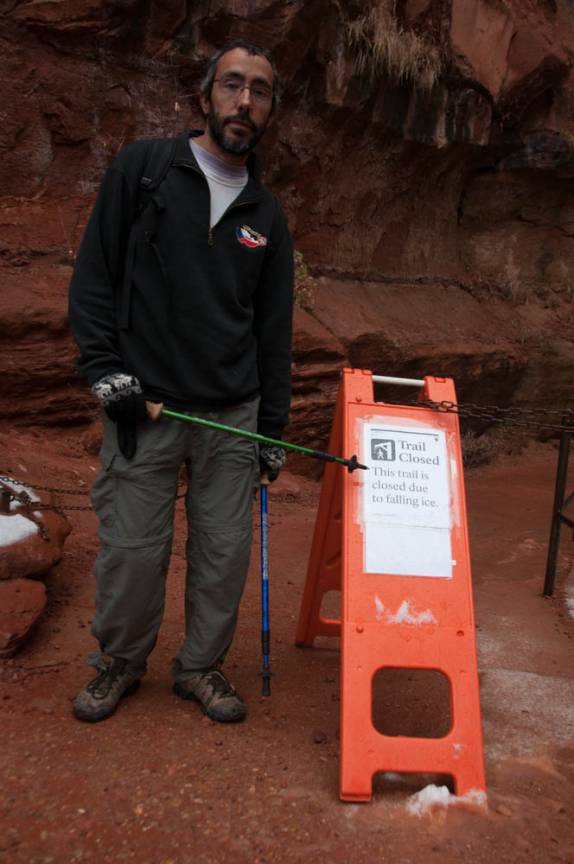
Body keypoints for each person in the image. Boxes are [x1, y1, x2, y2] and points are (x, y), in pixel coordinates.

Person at [68, 40, 293, 724]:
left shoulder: (267, 215)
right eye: (232, 84)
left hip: (233, 414)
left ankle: (200, 667)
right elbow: (95, 277)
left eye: (259, 91)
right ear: (205, 96)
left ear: (270, 110)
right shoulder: (144, 170)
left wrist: (271, 430)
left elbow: (273, 332)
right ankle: (120, 661)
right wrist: (106, 372)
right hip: (147, 409)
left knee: (223, 555)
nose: (244, 101)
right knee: (133, 553)